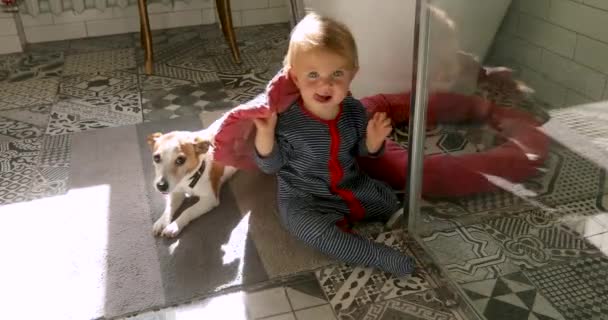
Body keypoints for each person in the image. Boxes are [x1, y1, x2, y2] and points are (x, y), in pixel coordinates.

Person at [251, 12, 415, 277]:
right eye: (313, 74)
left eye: (337, 74)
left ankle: (389, 211)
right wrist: (266, 135)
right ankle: (375, 255)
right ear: (295, 78)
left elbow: (362, 152)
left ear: (353, 75)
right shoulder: (288, 121)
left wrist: (373, 142)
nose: (325, 84)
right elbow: (270, 166)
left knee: (385, 197)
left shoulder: (353, 110)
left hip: (351, 186)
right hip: (304, 198)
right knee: (314, 232)